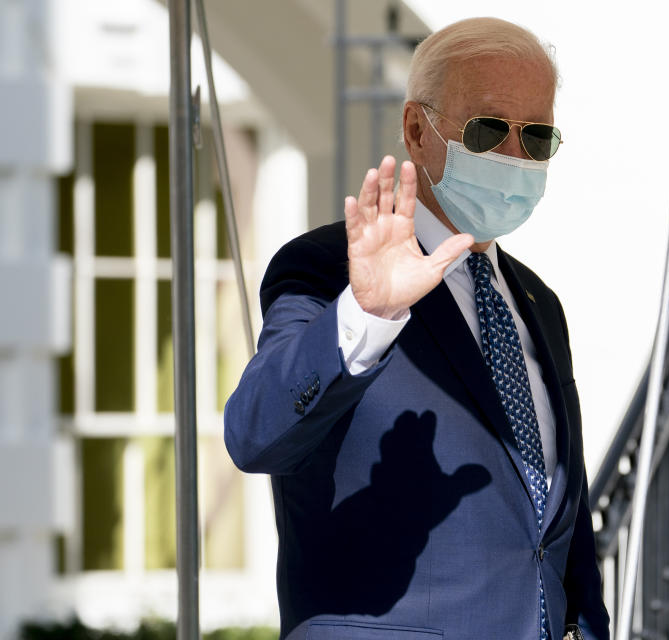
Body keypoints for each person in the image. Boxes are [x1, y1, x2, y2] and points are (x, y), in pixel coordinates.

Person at [224, 16, 609, 640]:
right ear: (416, 129)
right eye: (489, 130)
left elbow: (558, 519)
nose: (515, 156)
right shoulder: (324, 272)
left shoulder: (539, 301)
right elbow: (255, 436)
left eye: (536, 138)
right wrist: (368, 312)